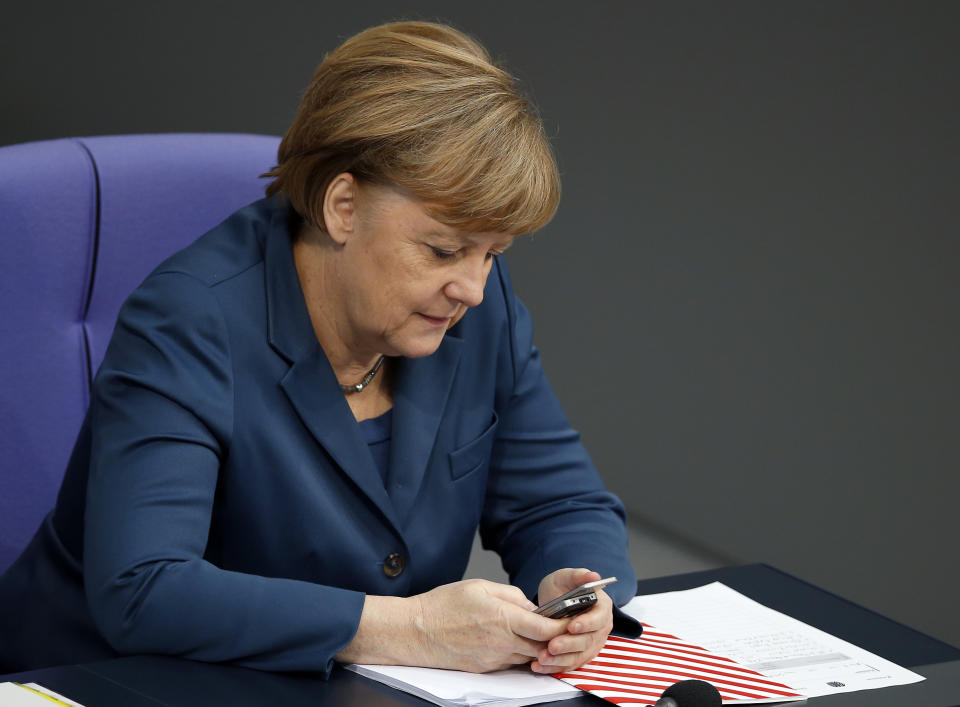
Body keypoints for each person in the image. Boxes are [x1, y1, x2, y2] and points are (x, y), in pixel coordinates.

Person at [0, 21, 638, 676]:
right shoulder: (187, 322)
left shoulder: (475, 306)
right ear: (343, 205)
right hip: (108, 681)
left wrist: (575, 588)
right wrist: (410, 625)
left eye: (492, 253)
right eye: (444, 249)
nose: (472, 288)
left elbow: (561, 501)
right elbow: (145, 589)